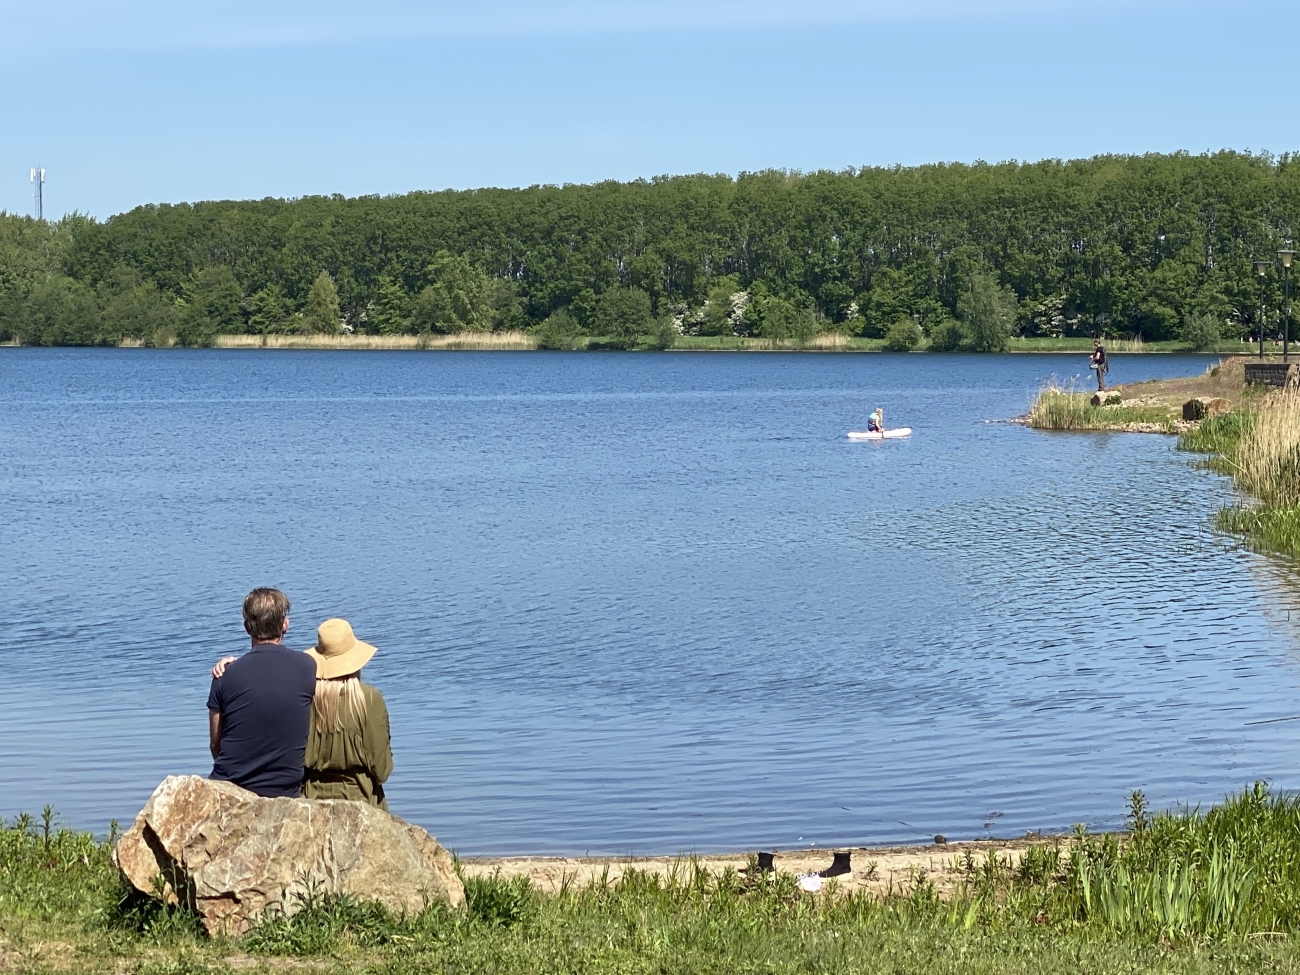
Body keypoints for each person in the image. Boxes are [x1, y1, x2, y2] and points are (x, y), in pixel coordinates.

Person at [207, 588, 317, 797]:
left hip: (232, 785)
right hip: (285, 789)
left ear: (247, 627)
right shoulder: (308, 667)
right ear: (285, 625)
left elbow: (215, 744)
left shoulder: (224, 676)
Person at [302, 618, 393, 809]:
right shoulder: (369, 698)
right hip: (363, 802)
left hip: (311, 802)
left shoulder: (304, 699)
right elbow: (382, 770)